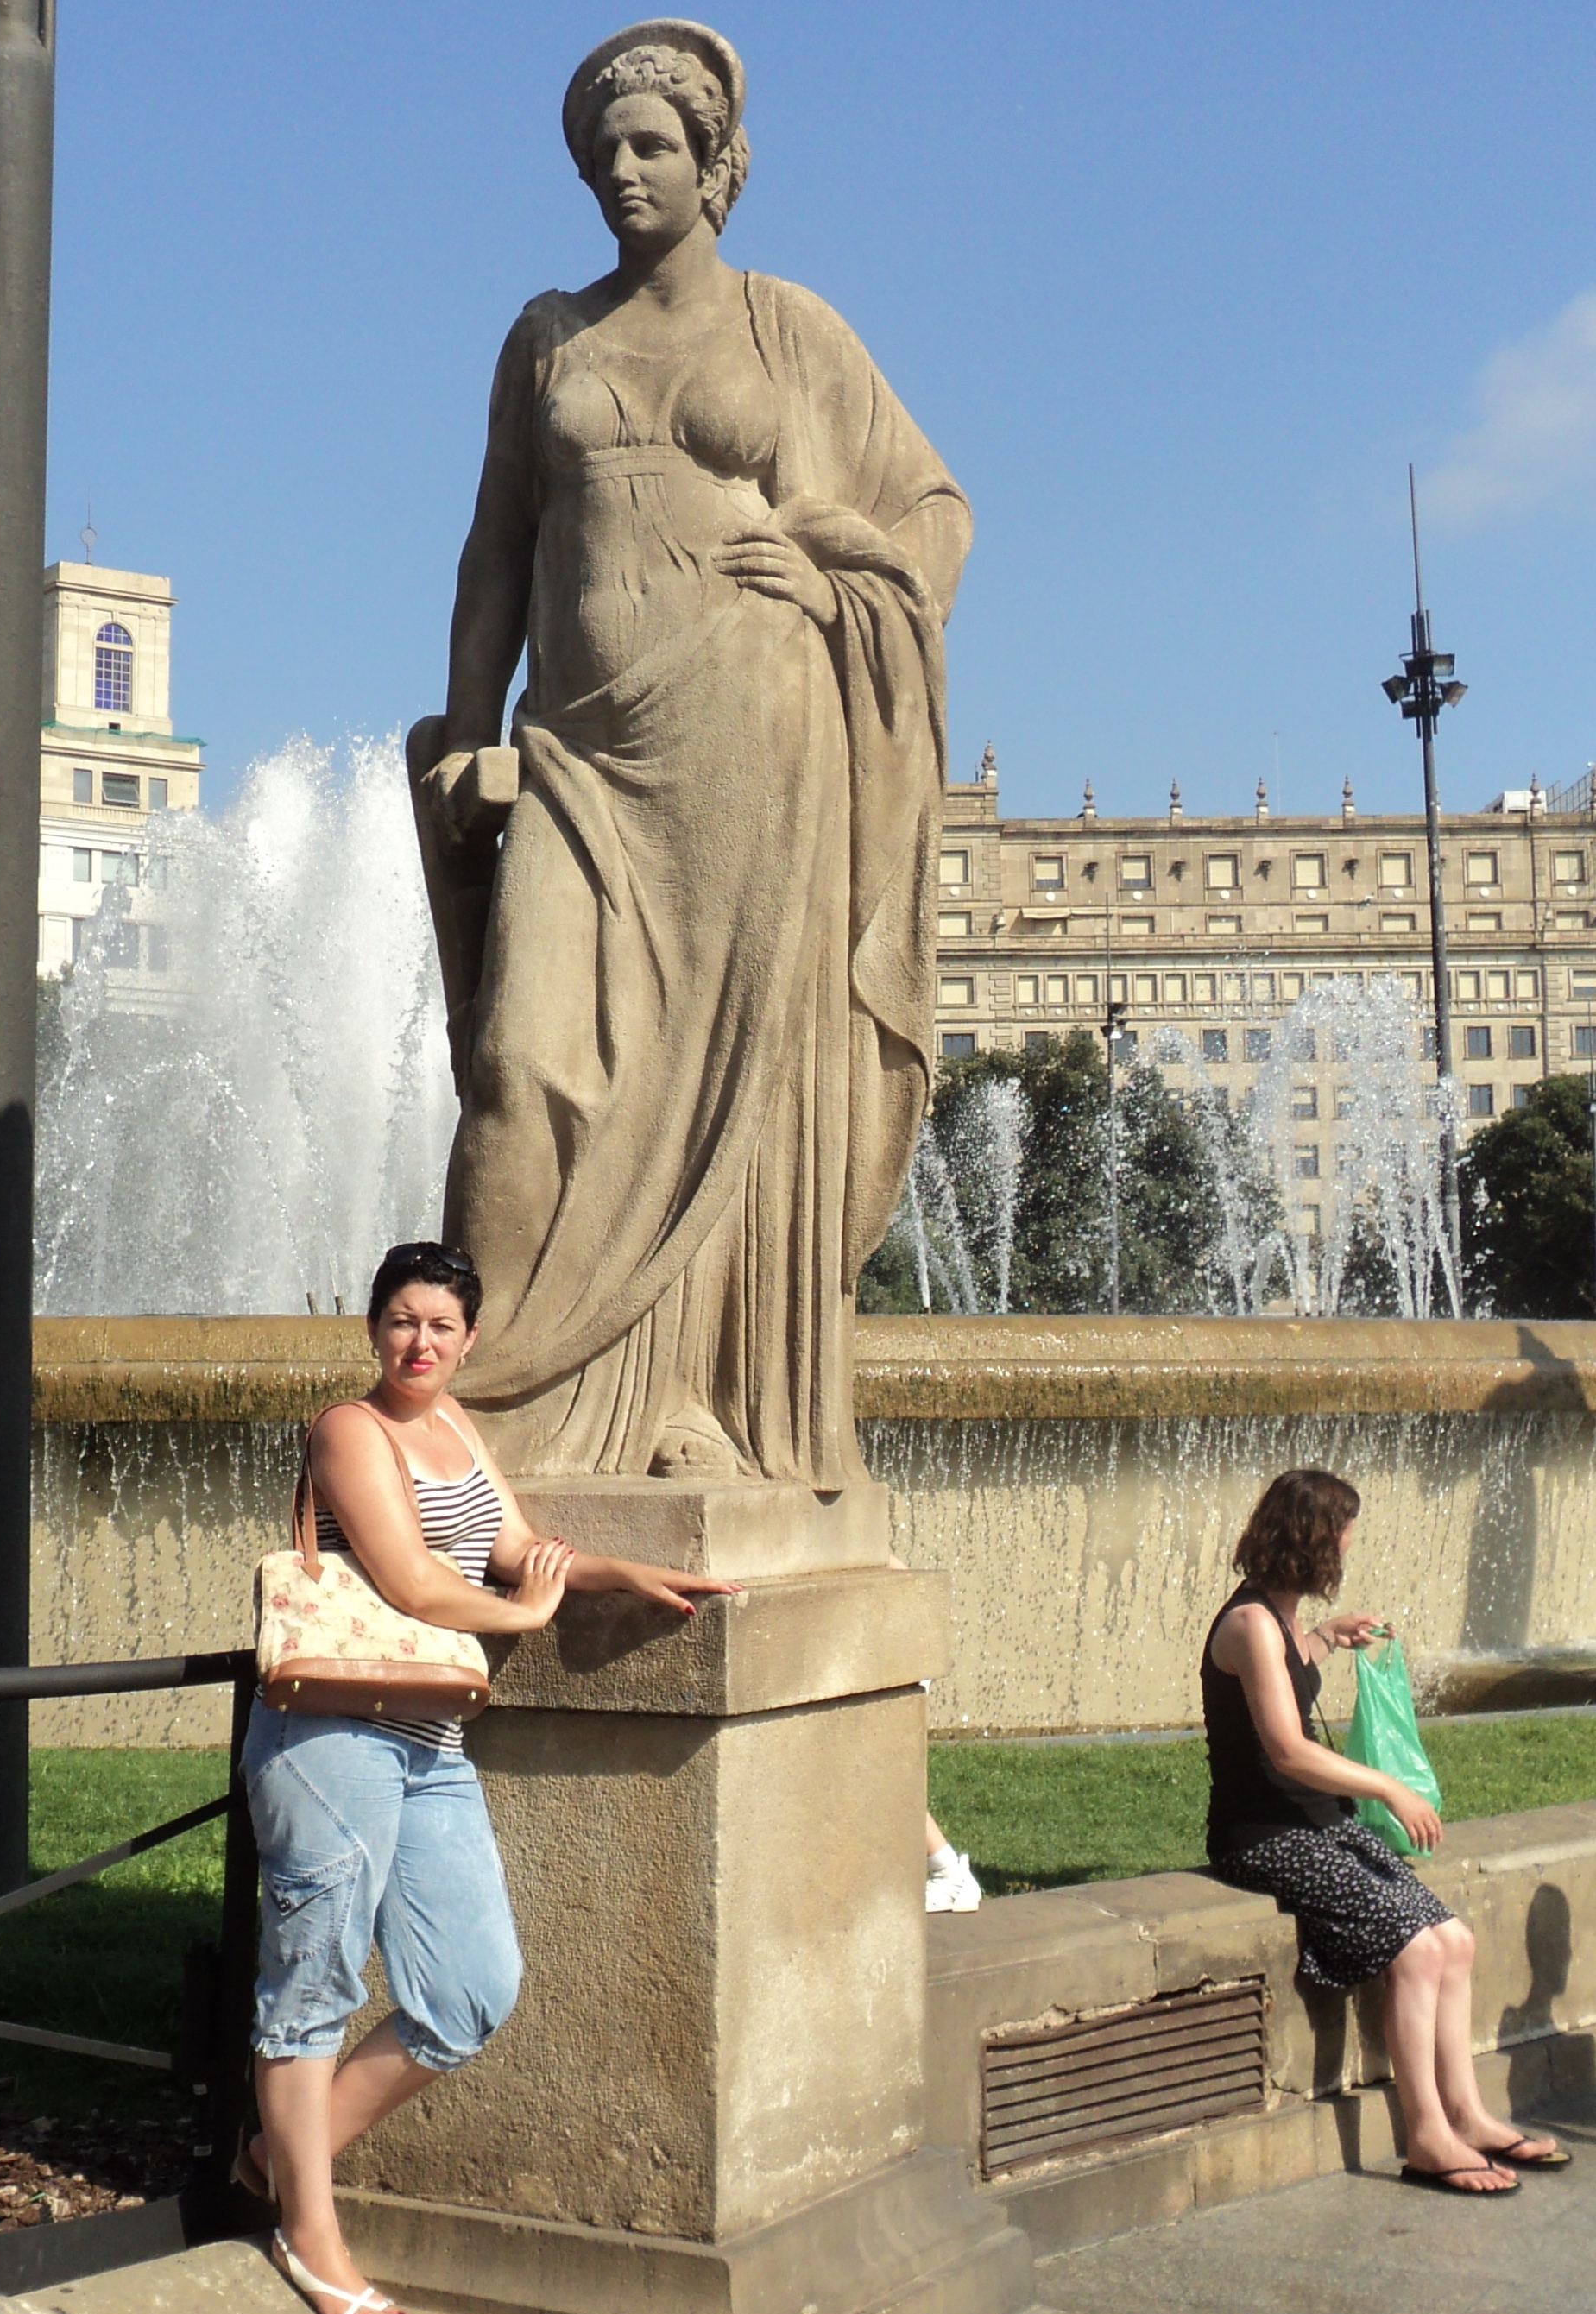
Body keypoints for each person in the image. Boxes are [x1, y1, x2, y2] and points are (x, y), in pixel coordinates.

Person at [412, 19, 969, 1486]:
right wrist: (466, 732)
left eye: (653, 145)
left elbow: (932, 514)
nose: (625, 171)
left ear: (715, 162)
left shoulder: (789, 329)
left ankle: (697, 1407)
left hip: (754, 739)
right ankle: (494, 1408)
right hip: (579, 752)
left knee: (736, 1090)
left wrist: (835, 582)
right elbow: (494, 552)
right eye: (604, 151)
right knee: (521, 1065)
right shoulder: (548, 337)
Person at [243, 1240, 741, 2314]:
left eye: (440, 1326)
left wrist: (618, 1574)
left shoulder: (458, 1427)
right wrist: (524, 1617)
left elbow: (516, 1548)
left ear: (469, 1341)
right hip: (332, 1740)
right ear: (373, 1328)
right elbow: (416, 1581)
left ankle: (279, 2159)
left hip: (430, 1745)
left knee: (471, 1990)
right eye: (401, 1321)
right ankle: (309, 2233)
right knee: (313, 1985)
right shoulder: (349, 1429)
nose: (419, 1343)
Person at [1201, 1468, 1567, 2197]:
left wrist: (1326, 1638)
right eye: (1343, 1534)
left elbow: (1288, 1671)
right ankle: (1427, 2136)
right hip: (1265, 1837)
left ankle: (1467, 2115)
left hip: (1318, 1825)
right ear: (1312, 1541)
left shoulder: (1279, 1618)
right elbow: (1287, 1749)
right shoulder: (1248, 1624)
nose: (1347, 1547)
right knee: (1416, 1948)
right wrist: (1390, 1788)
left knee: (1454, 1940)